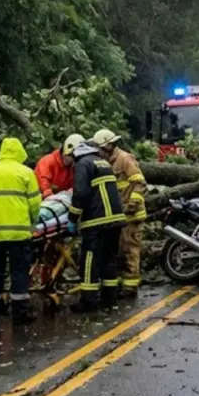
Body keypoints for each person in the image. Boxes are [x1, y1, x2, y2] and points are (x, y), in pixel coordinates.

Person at [0, 137, 42, 324]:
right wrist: (32, 221)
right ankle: (20, 311)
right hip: (18, 232)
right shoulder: (26, 172)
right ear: (20, 152)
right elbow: (35, 203)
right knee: (19, 271)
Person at [66, 141, 127, 312]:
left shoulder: (83, 164)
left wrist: (72, 218)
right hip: (115, 219)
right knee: (109, 259)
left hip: (97, 221)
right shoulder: (102, 162)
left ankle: (88, 301)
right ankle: (109, 299)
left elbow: (80, 193)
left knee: (89, 260)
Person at [91, 129, 147, 299]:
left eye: (100, 148)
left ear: (109, 146)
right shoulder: (106, 162)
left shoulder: (125, 159)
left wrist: (132, 204)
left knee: (130, 251)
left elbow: (139, 183)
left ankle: (130, 287)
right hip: (119, 216)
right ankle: (121, 284)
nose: (99, 152)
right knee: (119, 251)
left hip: (132, 216)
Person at [34, 134, 86, 198]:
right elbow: (43, 184)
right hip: (42, 198)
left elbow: (73, 188)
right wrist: (51, 197)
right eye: (70, 156)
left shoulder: (73, 167)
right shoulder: (48, 161)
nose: (72, 160)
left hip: (61, 198)